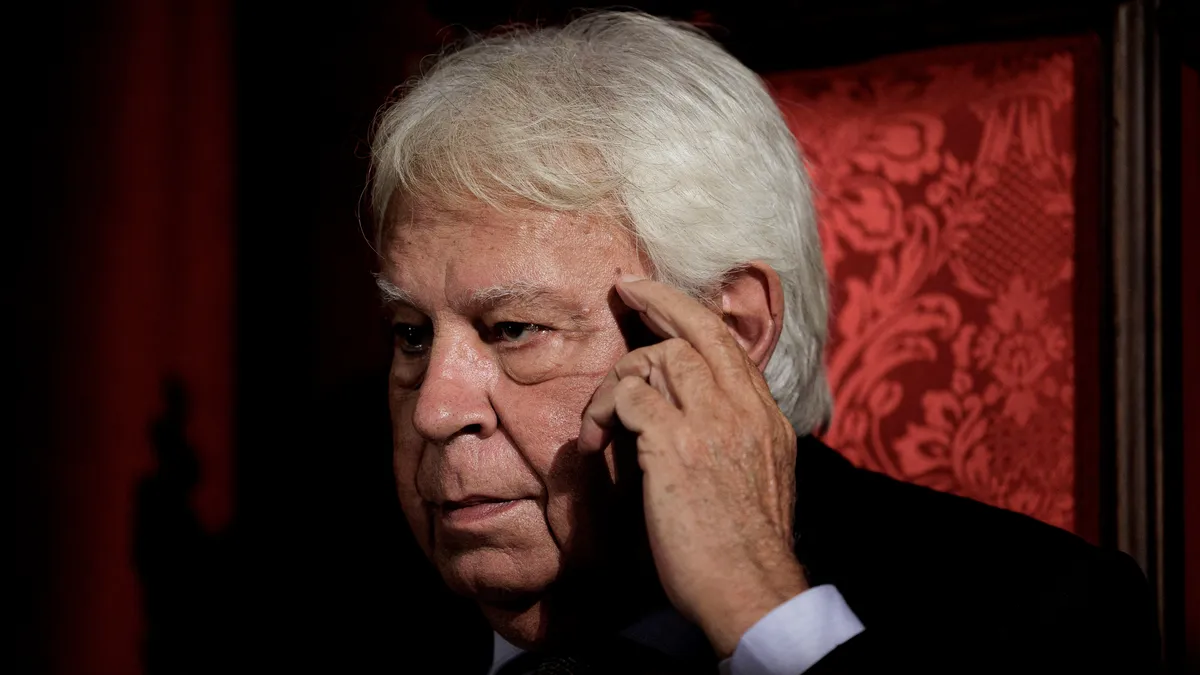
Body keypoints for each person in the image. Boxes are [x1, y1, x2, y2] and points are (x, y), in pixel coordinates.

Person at [367, 10, 1158, 674]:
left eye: (515, 329)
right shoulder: (328, 600)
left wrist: (760, 612)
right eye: (412, 334)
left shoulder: (1042, 618)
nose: (435, 409)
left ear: (731, 331)